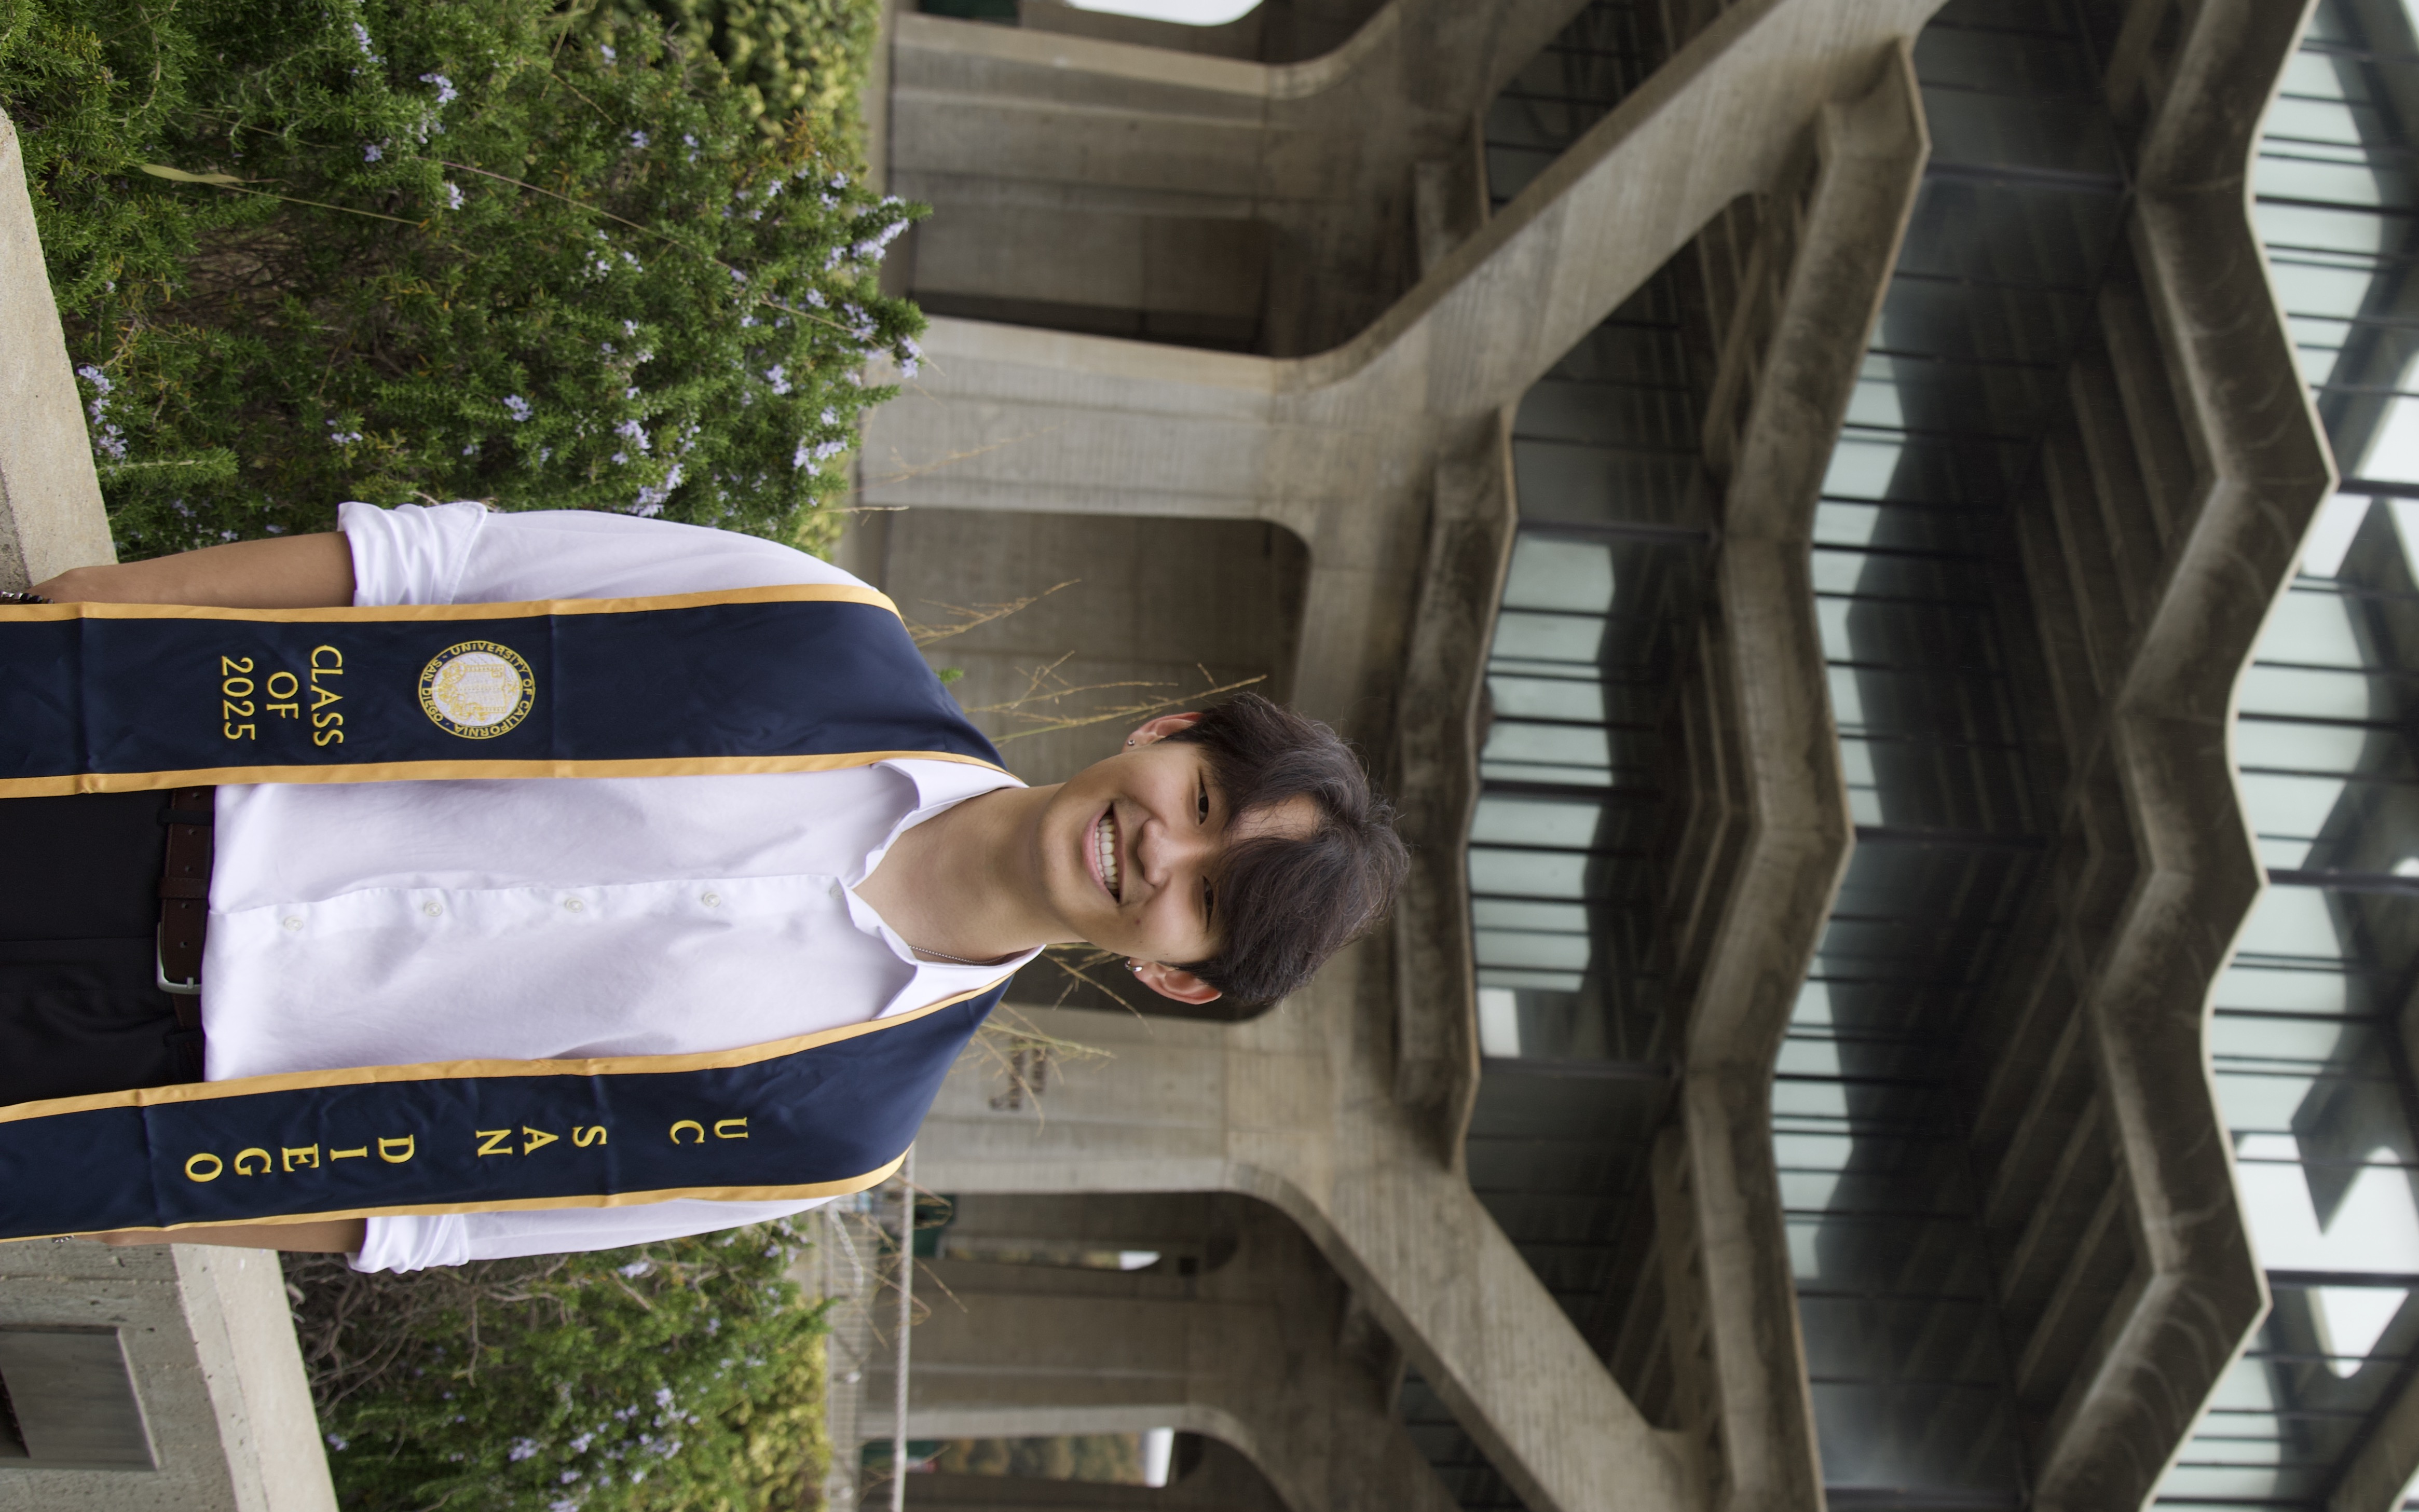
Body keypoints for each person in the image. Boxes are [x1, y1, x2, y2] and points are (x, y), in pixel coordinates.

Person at [2, 500, 1405, 1268]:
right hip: (115, 791)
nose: (1165, 850)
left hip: (131, 1074)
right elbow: (438, 567)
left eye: (1207, 901)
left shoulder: (839, 1122)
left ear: (1172, 970)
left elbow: (436, 1214)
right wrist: (96, 604)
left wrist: (137, 1197)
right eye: (1204, 803)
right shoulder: (817, 636)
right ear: (1166, 735)